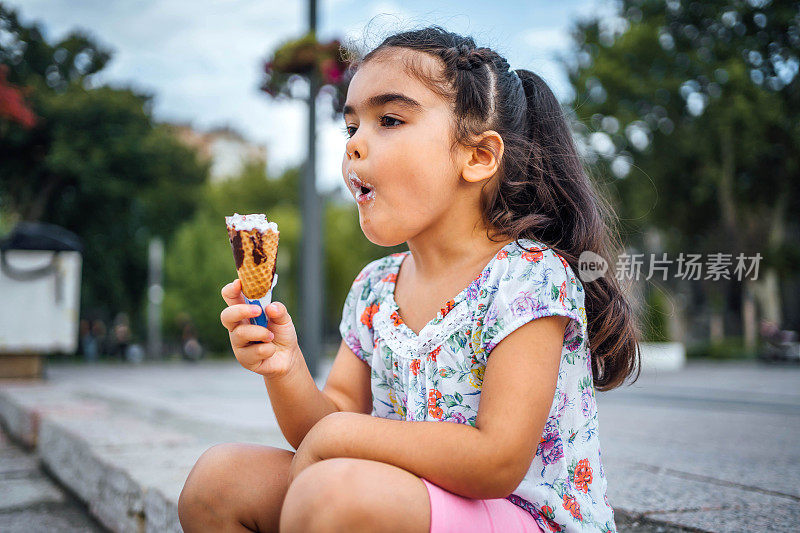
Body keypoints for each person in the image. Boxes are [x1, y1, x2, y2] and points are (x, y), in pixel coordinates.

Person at [179, 26, 640, 533]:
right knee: (219, 481)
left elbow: (497, 461)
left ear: (479, 156)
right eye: (350, 127)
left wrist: (343, 437)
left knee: (332, 494)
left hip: (525, 516)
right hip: (404, 497)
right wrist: (283, 366)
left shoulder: (527, 277)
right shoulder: (375, 287)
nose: (355, 145)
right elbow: (323, 425)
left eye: (390, 119)